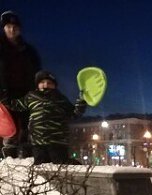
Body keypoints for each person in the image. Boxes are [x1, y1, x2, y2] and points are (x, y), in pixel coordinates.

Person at [1, 70, 87, 164]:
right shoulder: (31, 96)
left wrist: (81, 101)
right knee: (40, 165)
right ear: (37, 84)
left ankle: (77, 168)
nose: (45, 85)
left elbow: (74, 114)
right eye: (42, 82)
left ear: (54, 85)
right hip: (37, 141)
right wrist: (3, 97)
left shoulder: (60, 98)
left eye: (49, 83)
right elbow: (16, 105)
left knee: (60, 163)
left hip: (57, 140)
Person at [0, 11, 41, 158]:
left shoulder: (29, 51)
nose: (12, 30)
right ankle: (8, 164)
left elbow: (37, 72)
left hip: (26, 95)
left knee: (26, 128)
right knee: (8, 130)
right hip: (3, 96)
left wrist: (36, 91)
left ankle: (27, 163)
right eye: (8, 26)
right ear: (3, 28)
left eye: (15, 27)